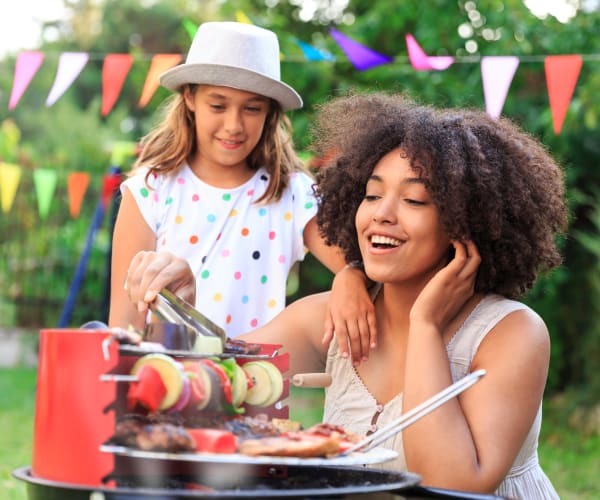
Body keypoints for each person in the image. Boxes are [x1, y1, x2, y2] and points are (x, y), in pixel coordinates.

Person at [126, 92, 565, 498]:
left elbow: (451, 485)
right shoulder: (331, 317)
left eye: (414, 201)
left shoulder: (512, 333)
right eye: (372, 194)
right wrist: (181, 309)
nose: (382, 215)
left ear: (465, 222)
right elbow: (206, 390)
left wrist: (426, 325)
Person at [109, 21, 375, 362]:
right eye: (218, 106)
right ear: (189, 97)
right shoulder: (149, 191)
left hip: (256, 391)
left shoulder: (293, 193)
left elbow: (362, 266)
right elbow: (123, 326)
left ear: (270, 112)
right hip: (167, 386)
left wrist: (351, 275)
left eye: (252, 108)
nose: (234, 125)